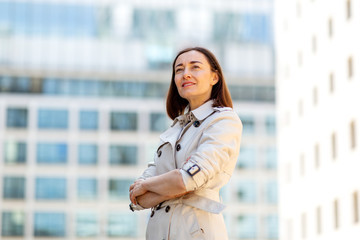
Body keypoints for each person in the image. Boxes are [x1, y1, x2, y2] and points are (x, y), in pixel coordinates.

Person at [129, 47, 242, 240]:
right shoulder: (174, 130)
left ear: (214, 77)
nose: (185, 74)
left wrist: (150, 185)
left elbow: (185, 180)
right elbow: (138, 199)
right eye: (179, 70)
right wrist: (174, 185)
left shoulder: (224, 121)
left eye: (195, 67)